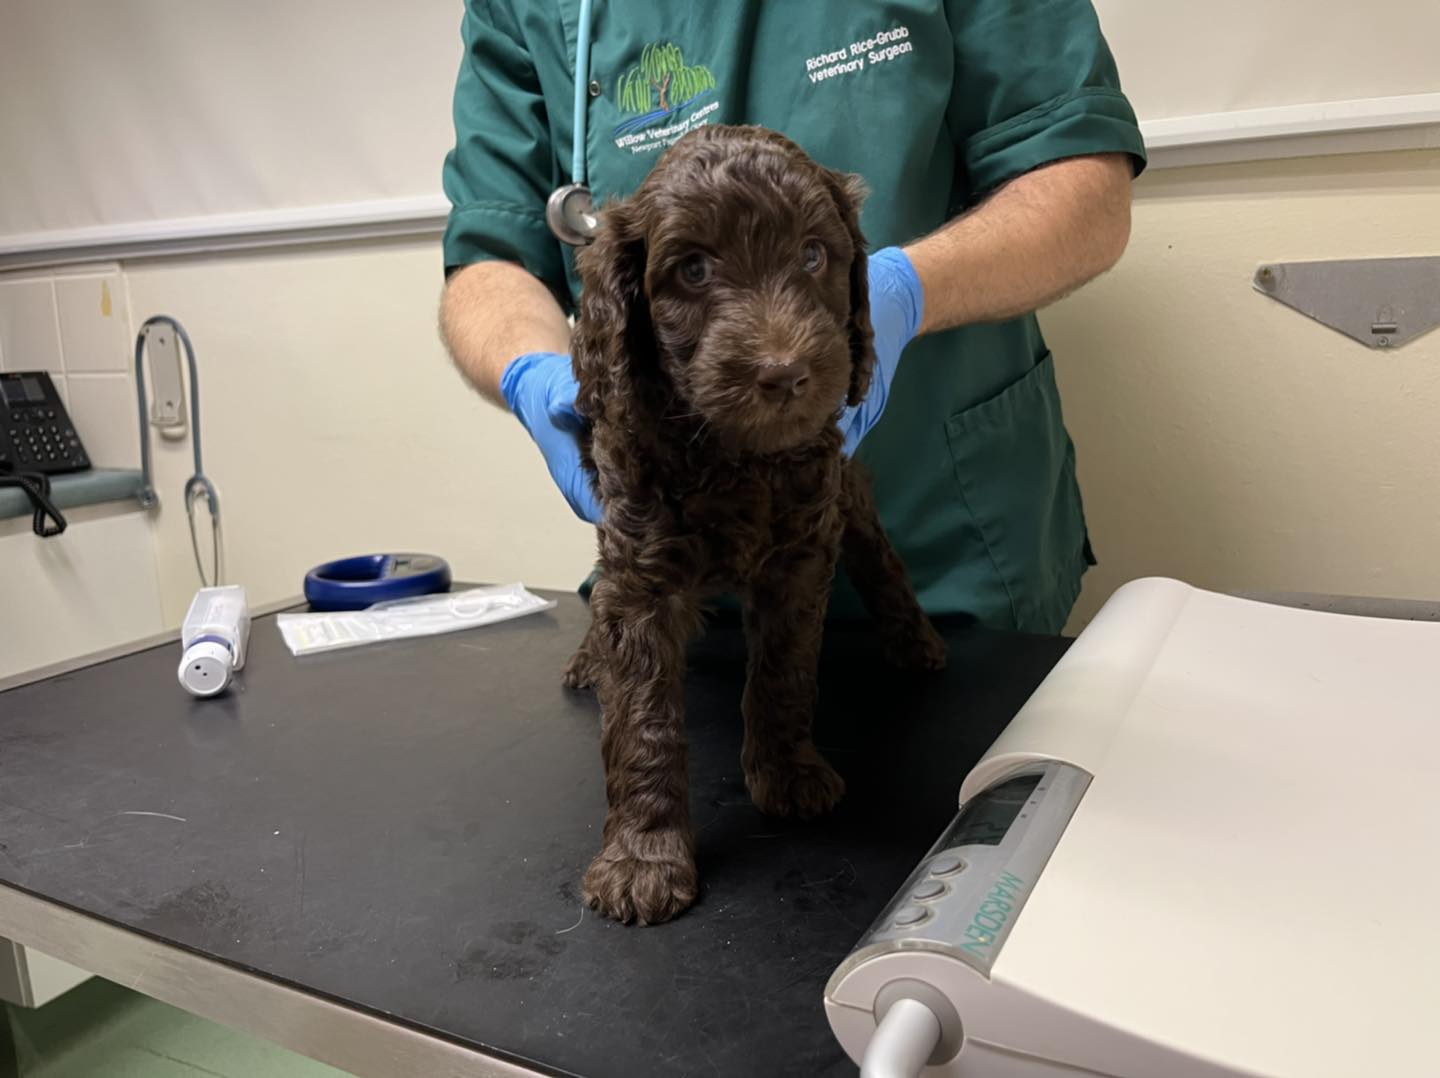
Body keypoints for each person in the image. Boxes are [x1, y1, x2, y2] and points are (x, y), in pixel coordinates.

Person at [439, 1, 1146, 634]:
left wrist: (898, 291)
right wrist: (533, 375)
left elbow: (1083, 188)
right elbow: (489, 260)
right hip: (686, 585)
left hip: (947, 554)